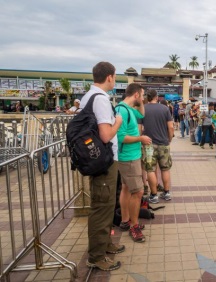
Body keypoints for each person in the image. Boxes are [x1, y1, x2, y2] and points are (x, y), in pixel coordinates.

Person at [80, 62, 123, 271]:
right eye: (115, 77)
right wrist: (118, 122)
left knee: (106, 203)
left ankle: (105, 244)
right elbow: (106, 135)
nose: (115, 81)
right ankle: (96, 256)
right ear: (109, 77)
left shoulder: (89, 96)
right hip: (104, 160)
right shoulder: (101, 100)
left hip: (98, 159)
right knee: (102, 207)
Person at [116, 83, 152, 243]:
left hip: (130, 156)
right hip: (129, 158)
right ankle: (134, 226)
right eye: (142, 95)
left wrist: (141, 102)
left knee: (126, 188)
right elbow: (120, 137)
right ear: (136, 94)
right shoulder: (122, 110)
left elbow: (142, 115)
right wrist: (140, 138)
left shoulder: (129, 109)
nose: (143, 98)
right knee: (137, 192)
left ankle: (125, 220)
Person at [143, 90, 174, 204]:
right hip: (163, 144)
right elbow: (170, 127)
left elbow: (139, 127)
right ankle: (166, 193)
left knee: (150, 169)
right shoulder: (165, 109)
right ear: (157, 97)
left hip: (149, 145)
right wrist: (169, 139)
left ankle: (154, 195)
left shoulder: (143, 109)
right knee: (165, 168)